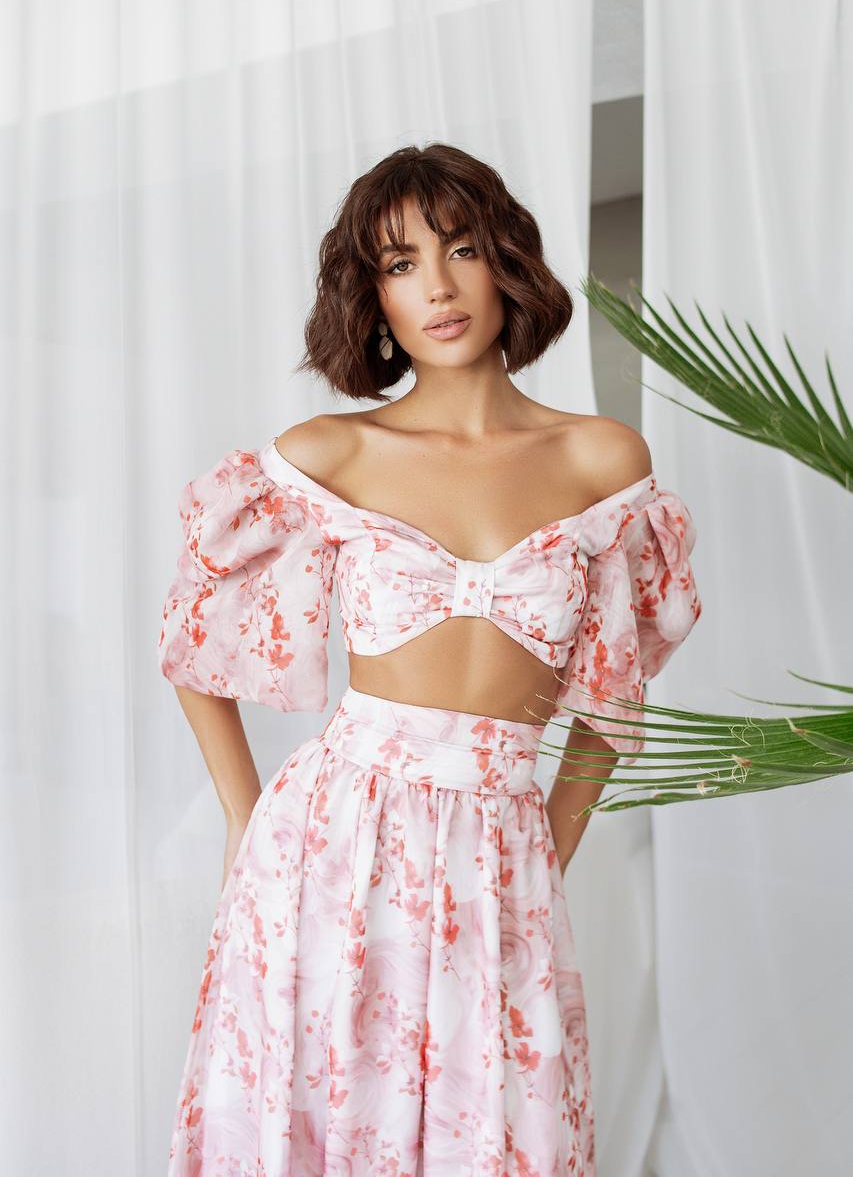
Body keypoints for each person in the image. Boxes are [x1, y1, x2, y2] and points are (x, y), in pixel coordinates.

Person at [157, 142, 702, 1175]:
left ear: (507, 265)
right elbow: (194, 634)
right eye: (400, 263)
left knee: (497, 1128)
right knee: (311, 1114)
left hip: (500, 845)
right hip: (328, 838)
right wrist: (243, 814)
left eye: (459, 249)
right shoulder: (335, 454)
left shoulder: (602, 461)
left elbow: (610, 704)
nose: (438, 286)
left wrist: (539, 848)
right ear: (373, 299)